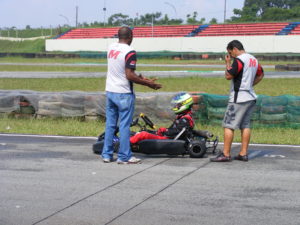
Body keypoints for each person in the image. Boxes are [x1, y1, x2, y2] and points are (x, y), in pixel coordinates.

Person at [102, 26, 162, 164]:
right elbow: (129, 75)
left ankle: (107, 154)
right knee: (124, 125)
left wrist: (141, 77)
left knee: (110, 124)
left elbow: (121, 70)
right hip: (123, 93)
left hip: (110, 90)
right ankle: (124, 157)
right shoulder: (130, 52)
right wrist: (148, 84)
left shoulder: (111, 47)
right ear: (130, 36)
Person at [210, 40, 264, 162]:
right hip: (251, 97)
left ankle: (225, 154)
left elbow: (228, 75)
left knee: (228, 125)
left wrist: (228, 63)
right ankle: (243, 153)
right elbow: (261, 75)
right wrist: (250, 85)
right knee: (245, 125)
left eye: (230, 53)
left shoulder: (239, 60)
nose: (231, 55)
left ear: (234, 49)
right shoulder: (253, 59)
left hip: (238, 98)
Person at [130, 92, 194, 144]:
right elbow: (173, 130)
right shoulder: (182, 117)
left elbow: (176, 132)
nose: (176, 106)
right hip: (167, 137)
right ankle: (127, 140)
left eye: (177, 105)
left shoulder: (185, 119)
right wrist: (163, 131)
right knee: (142, 131)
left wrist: (165, 130)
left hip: (168, 140)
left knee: (143, 135)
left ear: (184, 104)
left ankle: (124, 145)